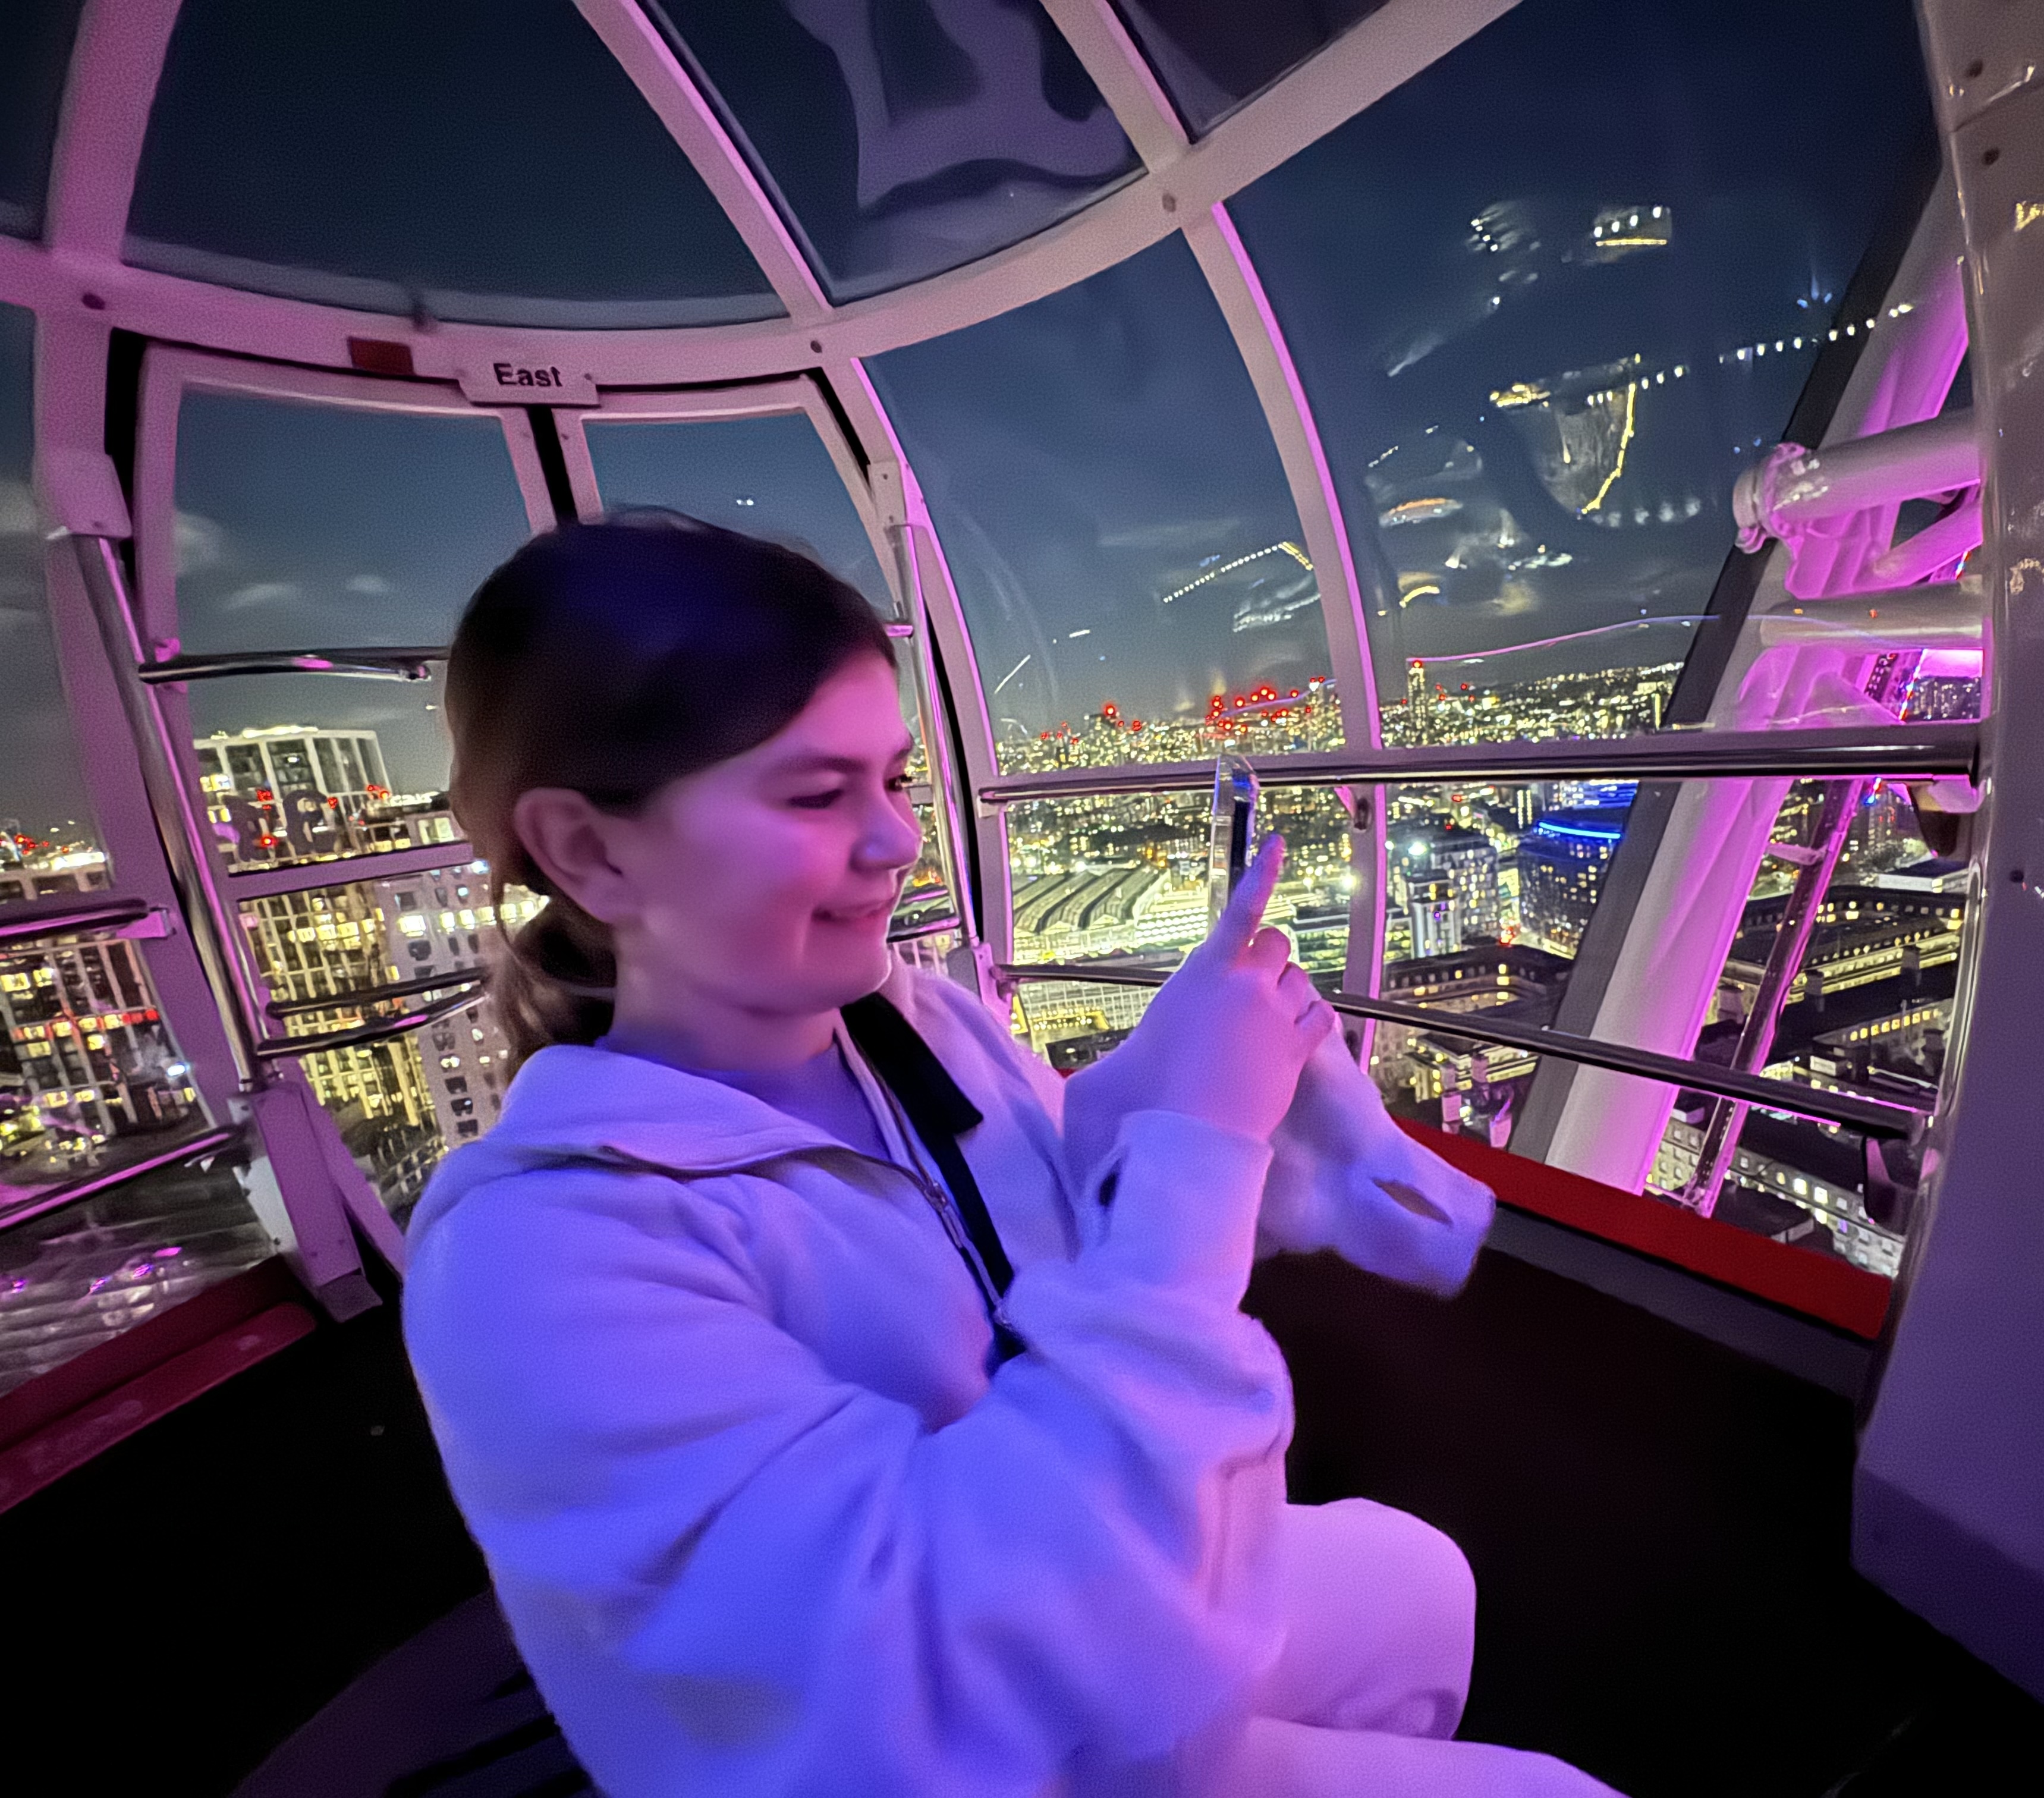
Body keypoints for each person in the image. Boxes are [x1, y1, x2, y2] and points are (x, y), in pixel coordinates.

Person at [403, 513, 1620, 1797]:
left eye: (896, 781)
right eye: (819, 794)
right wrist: (1196, 1149)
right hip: (960, 1733)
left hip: (1086, 1589)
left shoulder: (914, 1028)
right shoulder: (538, 1257)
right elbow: (915, 1683)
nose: (898, 843)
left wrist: (1212, 1096)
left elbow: (1040, 1220)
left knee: (1417, 1579)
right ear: (593, 853)